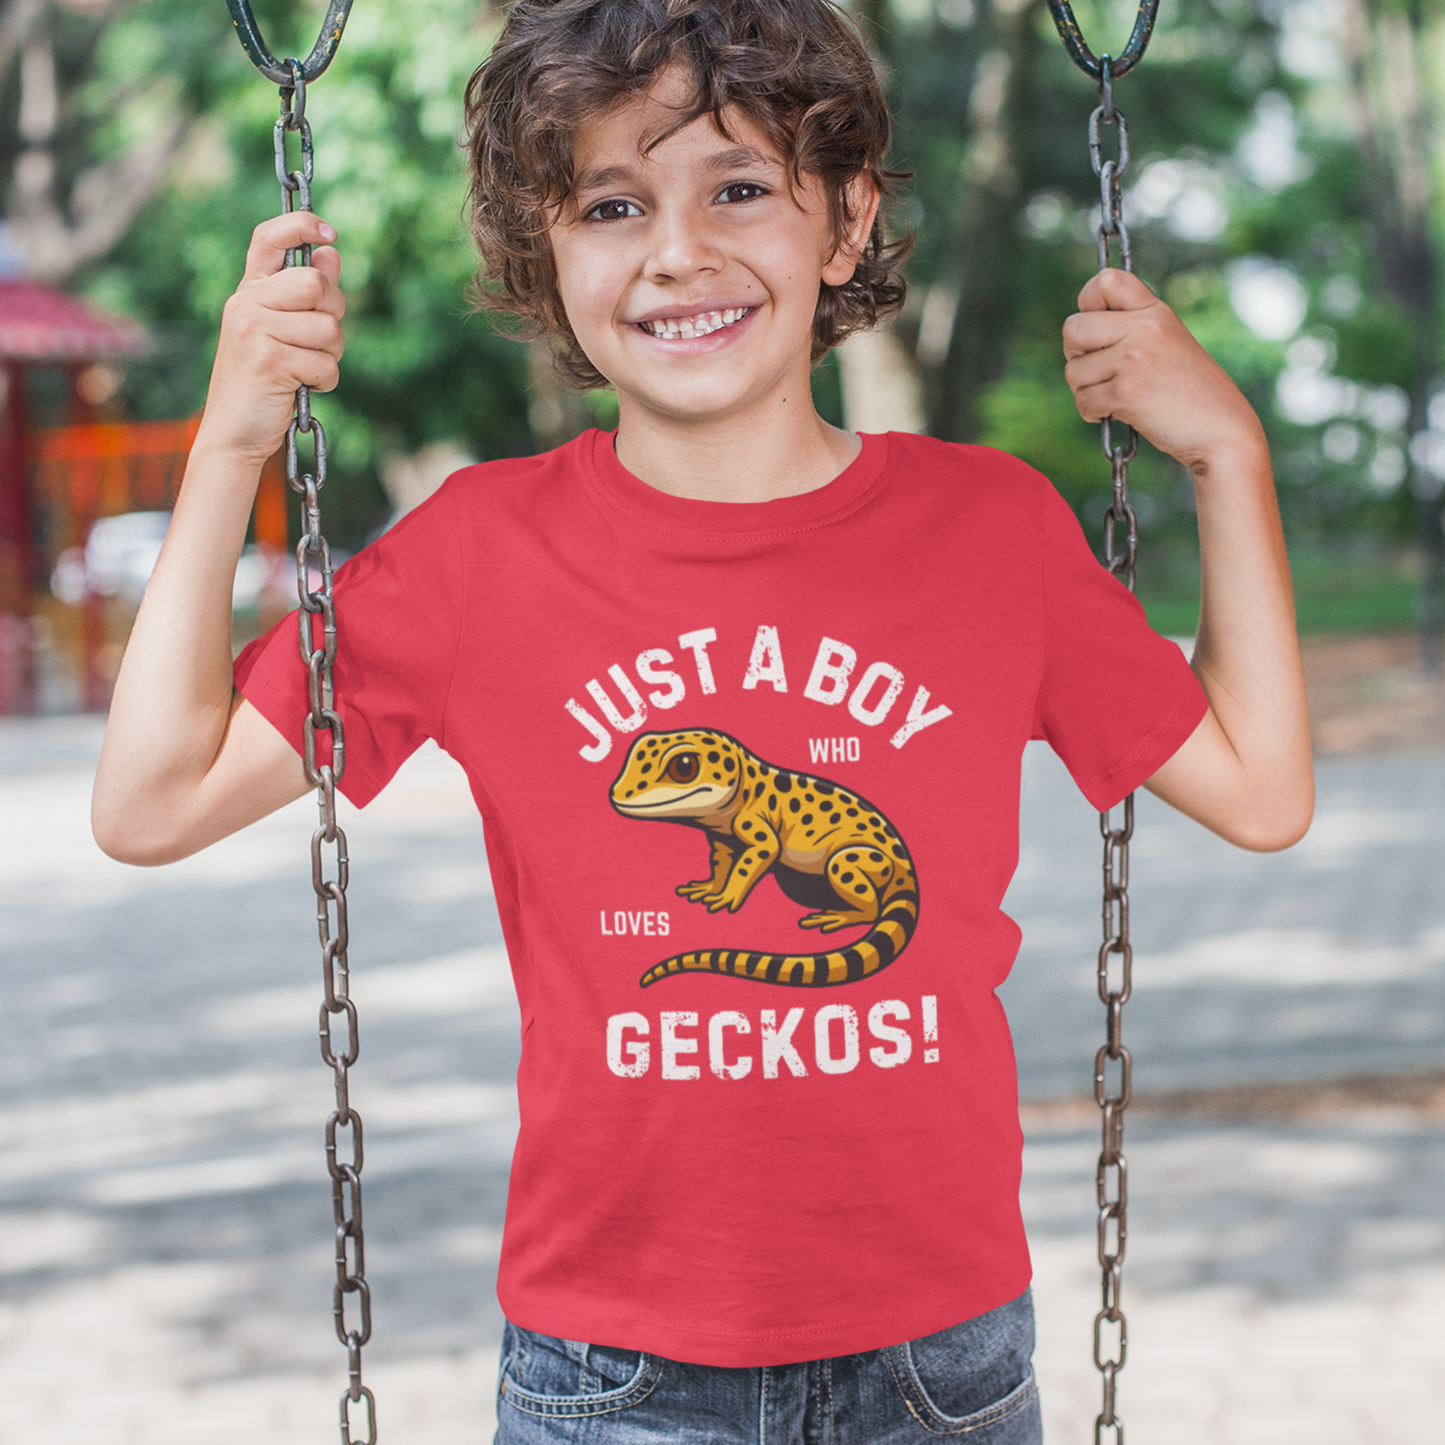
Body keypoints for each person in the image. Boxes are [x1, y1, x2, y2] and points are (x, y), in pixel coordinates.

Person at [92, 0, 1313, 1439]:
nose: (679, 253)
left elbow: (1258, 788)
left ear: (847, 221)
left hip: (941, 1356)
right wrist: (233, 442)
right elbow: (149, 802)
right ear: (549, 254)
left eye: (740, 187)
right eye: (613, 204)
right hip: (615, 1367)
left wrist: (1228, 455)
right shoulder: (480, 552)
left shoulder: (989, 529)